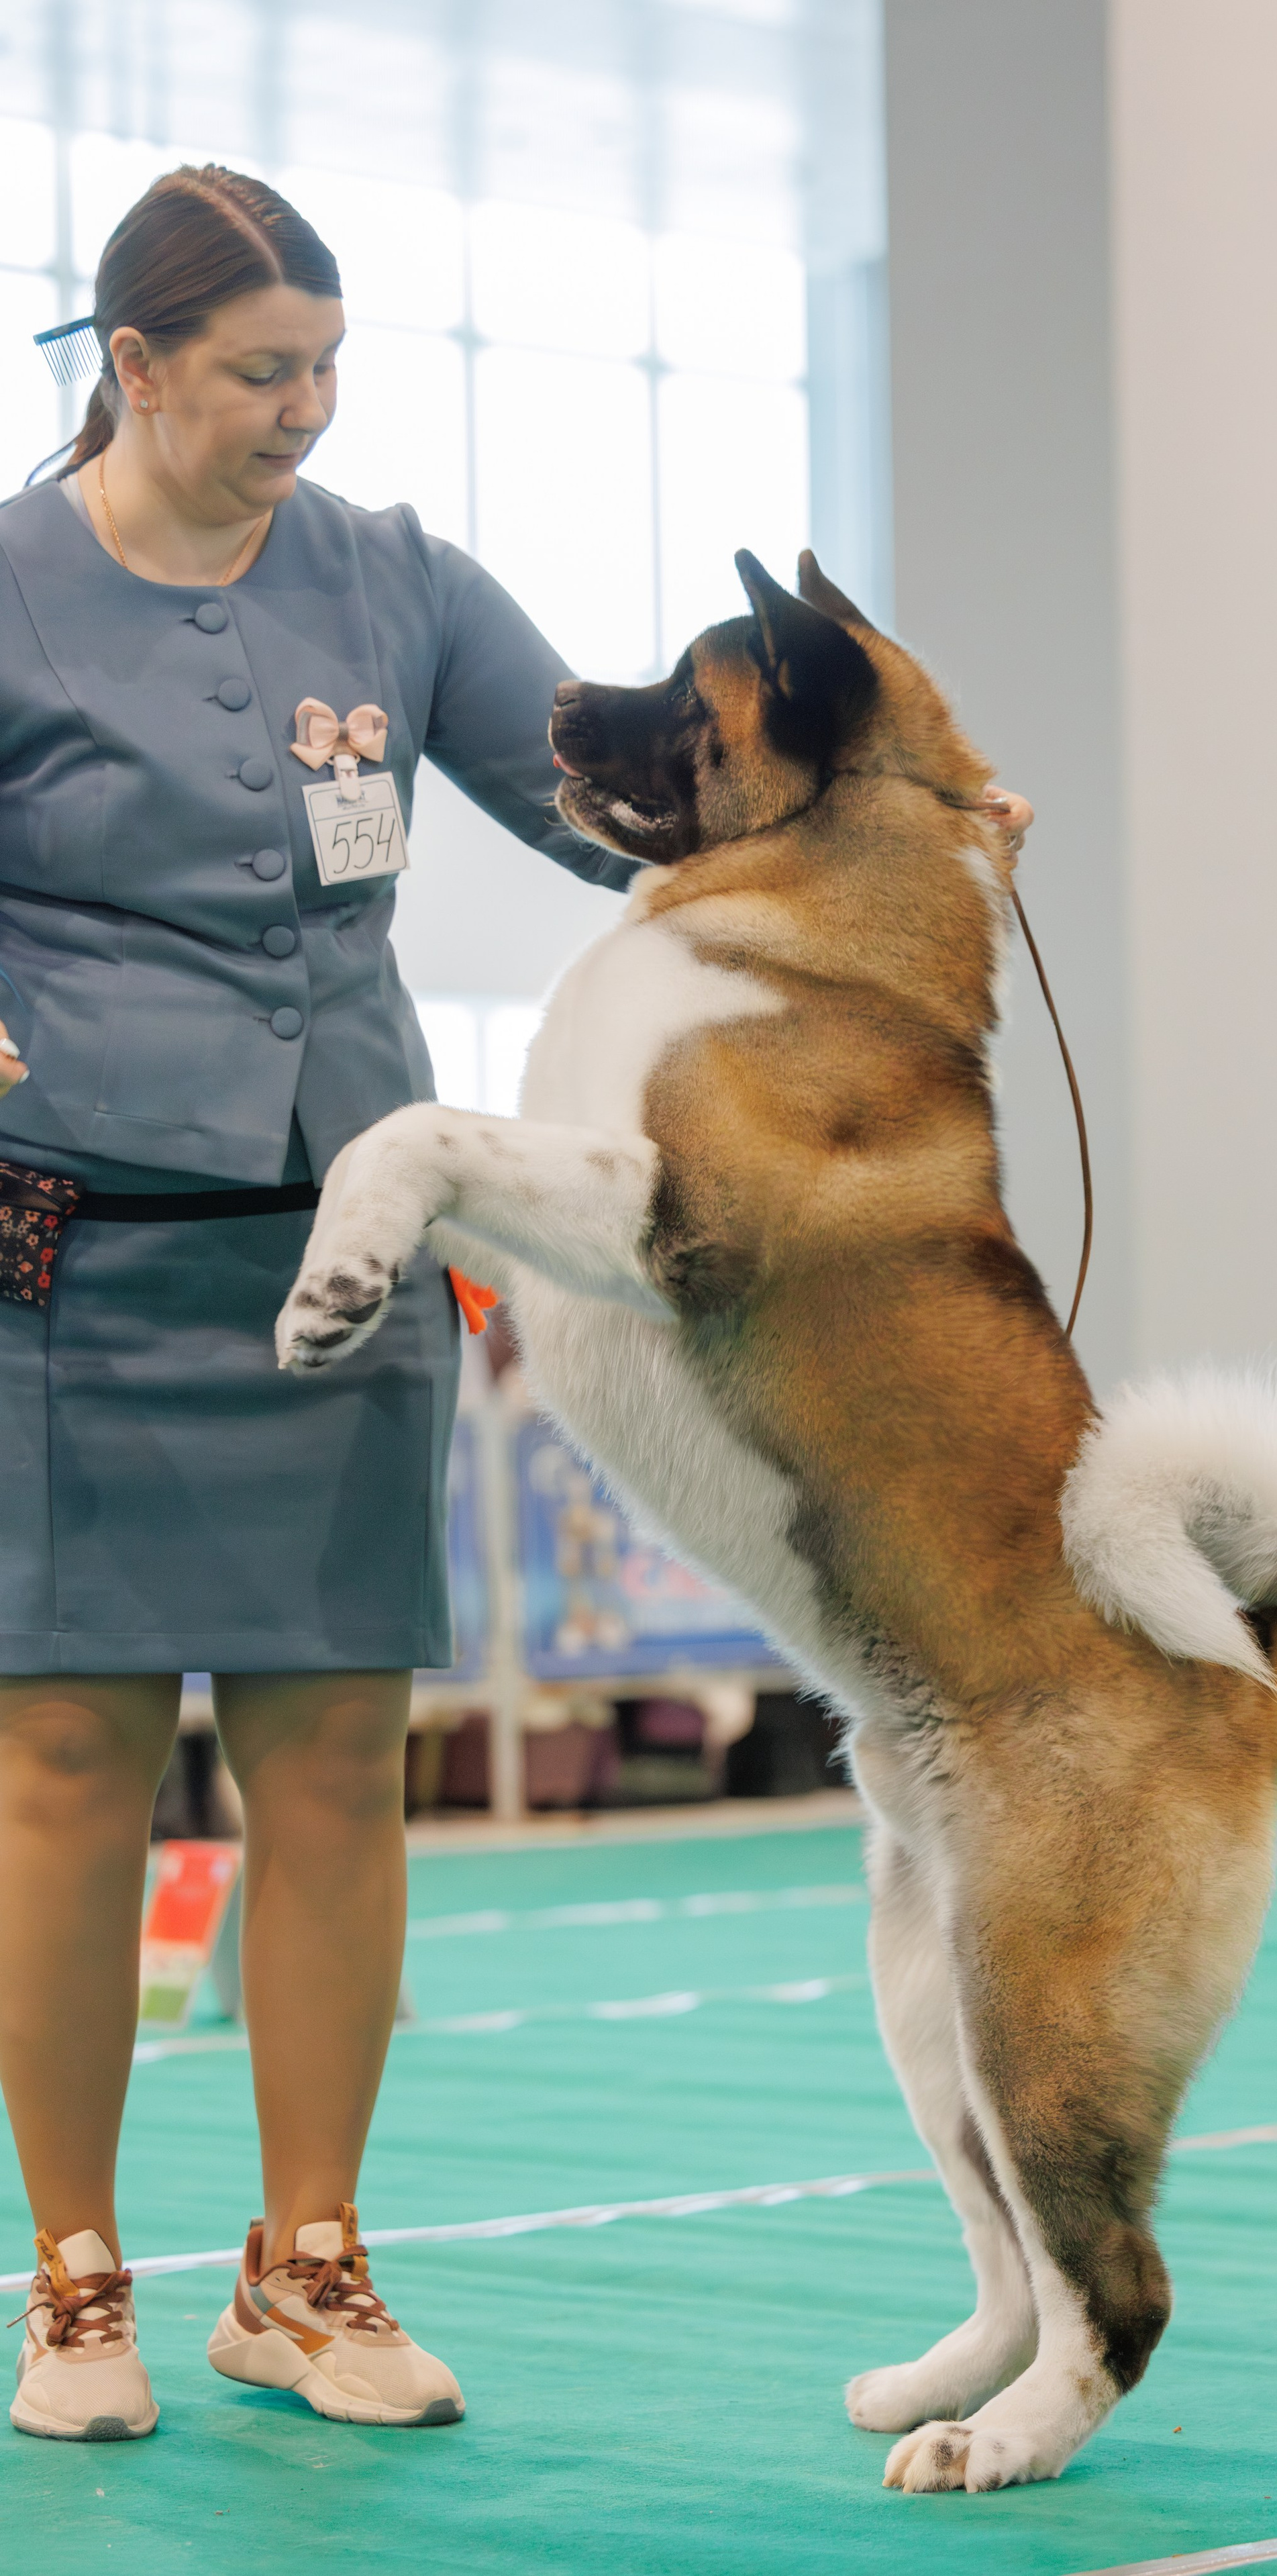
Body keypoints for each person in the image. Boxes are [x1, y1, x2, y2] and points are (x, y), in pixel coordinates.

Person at [0, 164, 1031, 2446]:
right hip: (67, 1270)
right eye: (259, 373)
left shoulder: (399, 580)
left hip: (346, 1247)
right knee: (68, 1766)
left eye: (326, 368)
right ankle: (71, 2281)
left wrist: (906, 819)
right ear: (133, 365)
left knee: (332, 1768)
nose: (304, 411)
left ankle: (307, 2266)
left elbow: (629, 802)